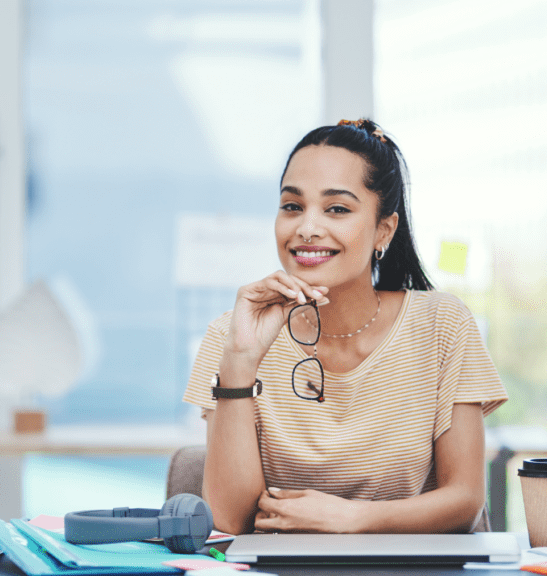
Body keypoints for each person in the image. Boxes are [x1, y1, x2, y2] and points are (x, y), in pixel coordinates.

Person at [183, 119, 507, 536]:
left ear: (383, 230)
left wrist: (354, 518)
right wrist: (241, 362)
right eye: (292, 206)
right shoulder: (233, 333)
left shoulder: (443, 326)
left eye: (336, 208)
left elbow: (464, 498)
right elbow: (230, 520)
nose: (306, 228)